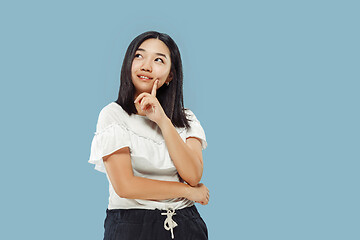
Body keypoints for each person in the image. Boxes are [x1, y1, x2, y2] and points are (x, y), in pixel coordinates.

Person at [88, 31, 210, 240]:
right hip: (132, 226)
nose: (146, 65)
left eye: (159, 60)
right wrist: (187, 192)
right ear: (129, 64)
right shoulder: (113, 115)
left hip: (186, 225)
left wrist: (163, 121)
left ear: (171, 74)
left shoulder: (187, 118)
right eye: (139, 56)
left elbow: (193, 174)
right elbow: (126, 186)